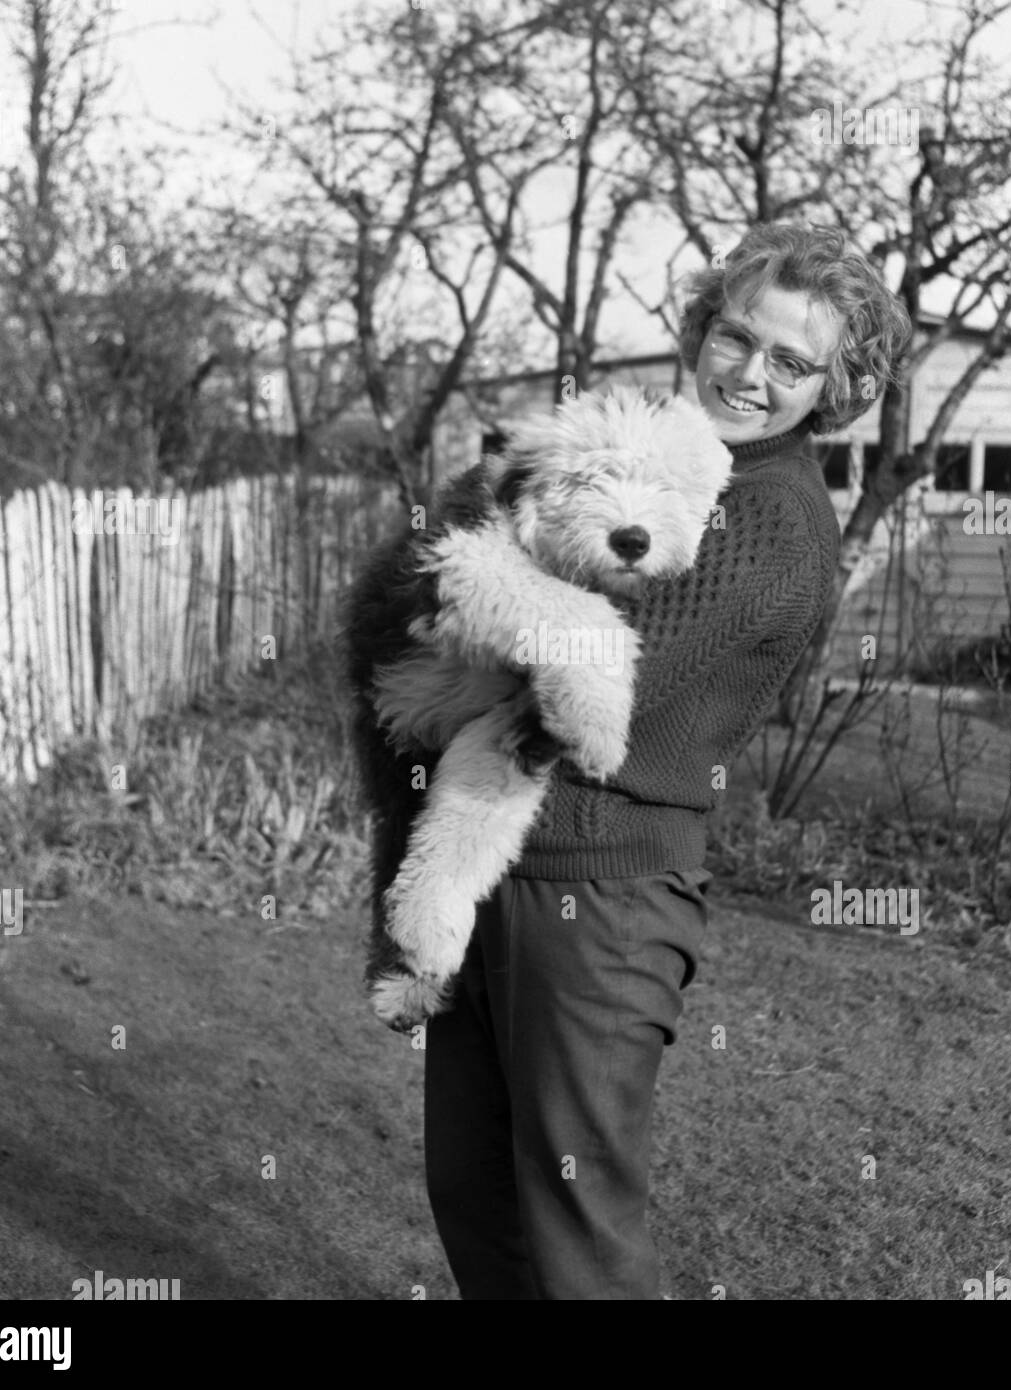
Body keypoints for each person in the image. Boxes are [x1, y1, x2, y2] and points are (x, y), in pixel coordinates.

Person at [423, 222, 912, 1299]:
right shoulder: (660, 457)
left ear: (834, 389)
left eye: (792, 363)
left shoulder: (765, 518)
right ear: (703, 326)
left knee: (576, 1227)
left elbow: (579, 660)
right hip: (499, 856)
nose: (749, 373)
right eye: (737, 336)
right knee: (474, 1190)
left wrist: (482, 574)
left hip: (604, 892)